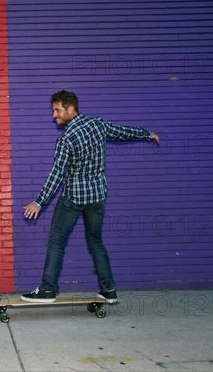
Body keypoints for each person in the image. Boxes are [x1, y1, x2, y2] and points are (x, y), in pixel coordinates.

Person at [21, 91, 160, 304]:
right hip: (97, 197)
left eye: (57, 111)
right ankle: (109, 290)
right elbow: (124, 132)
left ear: (70, 109)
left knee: (57, 241)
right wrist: (147, 133)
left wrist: (39, 201)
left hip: (73, 198)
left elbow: (57, 174)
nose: (54, 116)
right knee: (96, 242)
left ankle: (48, 290)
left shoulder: (66, 139)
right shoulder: (98, 124)